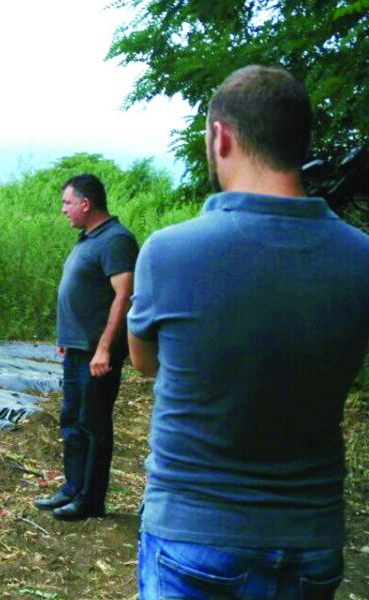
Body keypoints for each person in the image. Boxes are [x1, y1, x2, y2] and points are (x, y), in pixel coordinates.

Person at [128, 65, 369, 599]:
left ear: (220, 136)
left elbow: (145, 362)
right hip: (312, 543)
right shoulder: (361, 257)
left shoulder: (170, 251)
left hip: (195, 536)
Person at [35, 174, 138, 521]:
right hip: (78, 349)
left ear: (85, 203)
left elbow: (124, 297)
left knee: (93, 424)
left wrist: (105, 348)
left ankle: (91, 500)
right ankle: (72, 488)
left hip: (98, 353)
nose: (63, 209)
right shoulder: (89, 239)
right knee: (72, 420)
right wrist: (70, 340)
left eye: (67, 203)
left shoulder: (116, 240)